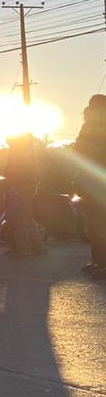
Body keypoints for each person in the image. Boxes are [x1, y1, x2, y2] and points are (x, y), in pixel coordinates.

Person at [73, 94, 106, 279]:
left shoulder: (94, 128)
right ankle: (98, 261)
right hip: (89, 181)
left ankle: (103, 263)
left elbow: (80, 149)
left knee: (100, 224)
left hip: (97, 182)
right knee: (94, 224)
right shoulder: (89, 126)